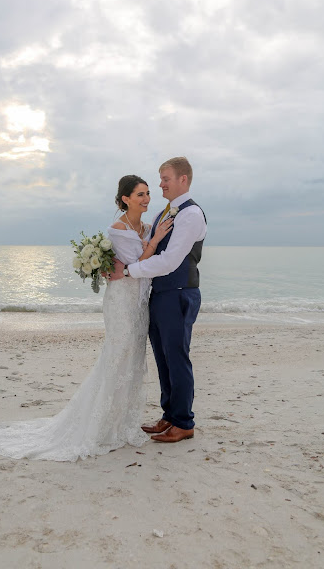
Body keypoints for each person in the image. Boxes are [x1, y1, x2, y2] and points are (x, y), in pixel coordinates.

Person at [0, 175, 172, 462]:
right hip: (121, 301)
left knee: (132, 358)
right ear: (125, 199)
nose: (146, 199)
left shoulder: (144, 225)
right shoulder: (117, 229)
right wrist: (155, 240)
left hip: (140, 302)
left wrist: (151, 237)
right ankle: (98, 425)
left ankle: (120, 423)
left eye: (147, 194)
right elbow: (138, 264)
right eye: (140, 195)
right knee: (117, 355)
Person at [109, 157, 207, 443]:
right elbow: (147, 248)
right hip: (161, 294)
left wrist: (126, 271)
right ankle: (169, 415)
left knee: (177, 358)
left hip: (178, 293)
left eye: (165, 179)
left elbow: (169, 260)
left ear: (183, 180)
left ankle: (184, 422)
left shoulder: (190, 214)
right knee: (163, 358)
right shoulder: (167, 212)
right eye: (160, 179)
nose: (160, 184)